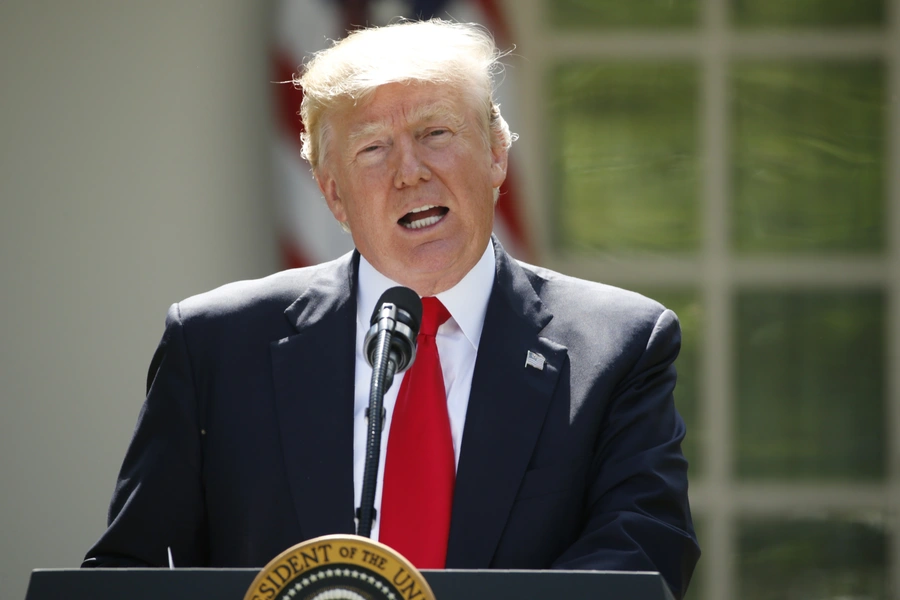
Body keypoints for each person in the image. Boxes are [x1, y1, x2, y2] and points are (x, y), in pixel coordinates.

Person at [82, 19, 699, 599]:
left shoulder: (619, 345)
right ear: (333, 196)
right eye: (373, 149)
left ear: (496, 154)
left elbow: (642, 556)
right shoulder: (216, 344)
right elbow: (127, 571)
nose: (410, 172)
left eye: (435, 133)